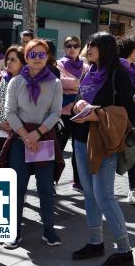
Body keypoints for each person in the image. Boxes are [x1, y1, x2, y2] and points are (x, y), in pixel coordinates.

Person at [71, 32, 135, 266]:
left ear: (106, 49)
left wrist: (95, 114)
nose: (88, 49)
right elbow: (83, 100)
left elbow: (128, 114)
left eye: (94, 45)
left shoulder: (118, 75)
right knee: (89, 194)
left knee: (104, 196)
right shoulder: (90, 72)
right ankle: (95, 242)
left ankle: (125, 251)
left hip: (103, 141)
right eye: (88, 45)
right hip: (80, 139)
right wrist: (78, 106)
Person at [0, 39, 63, 248]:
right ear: (26, 57)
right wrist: (26, 135)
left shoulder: (55, 83)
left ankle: (49, 231)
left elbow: (55, 113)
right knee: (17, 188)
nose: (37, 59)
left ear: (48, 57)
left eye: (41, 54)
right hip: (20, 140)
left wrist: (37, 134)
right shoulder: (16, 82)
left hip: (43, 139)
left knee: (45, 187)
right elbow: (9, 112)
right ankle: (14, 232)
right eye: (32, 54)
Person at [56, 36, 89, 192]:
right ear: (65, 47)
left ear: (79, 47)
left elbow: (89, 85)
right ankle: (52, 180)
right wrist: (78, 84)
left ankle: (78, 181)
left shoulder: (85, 66)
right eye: (69, 45)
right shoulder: (59, 64)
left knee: (79, 150)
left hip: (80, 114)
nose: (72, 48)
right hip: (63, 113)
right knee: (58, 148)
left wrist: (72, 85)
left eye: (75, 45)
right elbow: (60, 82)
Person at [118, 37, 135, 205]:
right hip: (118, 115)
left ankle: (132, 189)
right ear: (129, 49)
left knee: (133, 150)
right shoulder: (116, 66)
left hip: (133, 115)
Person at [0, 45, 26, 167]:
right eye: (8, 59)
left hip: (19, 134)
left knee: (15, 171)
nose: (8, 62)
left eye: (13, 59)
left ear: (22, 62)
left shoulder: (28, 82)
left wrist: (15, 124)